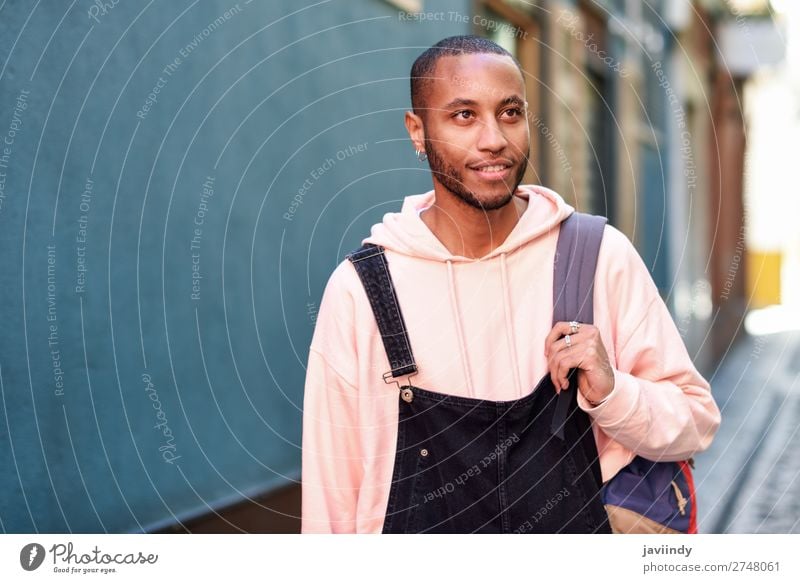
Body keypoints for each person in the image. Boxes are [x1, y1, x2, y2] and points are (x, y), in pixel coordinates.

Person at [301, 35, 720, 533]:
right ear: (418, 131)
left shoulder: (596, 257)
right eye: (463, 116)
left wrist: (613, 392)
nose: (493, 139)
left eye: (510, 112)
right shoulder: (364, 291)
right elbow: (332, 496)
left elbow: (695, 424)